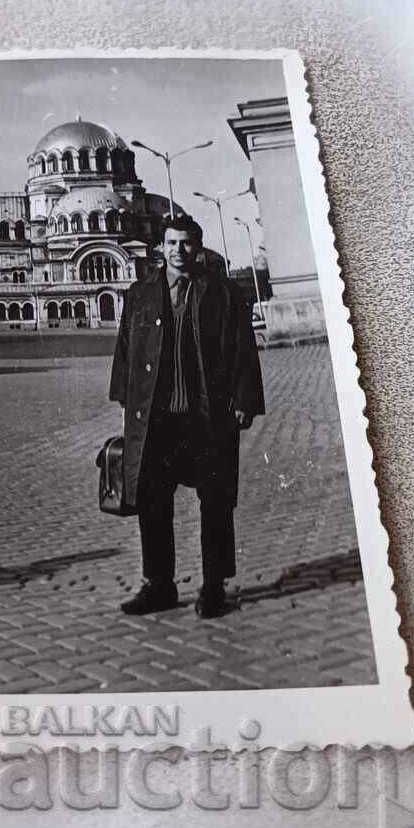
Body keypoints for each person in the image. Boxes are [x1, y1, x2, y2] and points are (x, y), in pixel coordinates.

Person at [109, 214, 265, 618]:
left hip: (206, 416)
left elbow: (242, 349)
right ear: (161, 247)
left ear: (199, 246)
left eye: (187, 243)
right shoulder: (139, 294)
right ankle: (158, 585)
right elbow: (126, 349)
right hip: (157, 421)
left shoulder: (223, 292)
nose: (179, 251)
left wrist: (244, 401)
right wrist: (126, 400)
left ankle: (214, 586)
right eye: (172, 243)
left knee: (214, 502)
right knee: (152, 501)